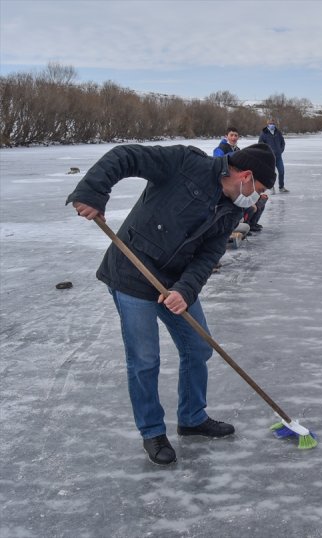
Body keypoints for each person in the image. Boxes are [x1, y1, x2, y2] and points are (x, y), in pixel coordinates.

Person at [66, 143, 277, 465]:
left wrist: (184, 291)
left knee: (198, 348)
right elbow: (126, 156)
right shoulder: (184, 163)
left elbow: (208, 256)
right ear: (246, 176)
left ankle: (192, 418)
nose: (258, 198)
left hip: (174, 284)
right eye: (259, 190)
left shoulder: (233, 208)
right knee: (145, 359)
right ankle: (152, 432)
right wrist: (93, 192)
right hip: (131, 274)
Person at [258, 118, 287, 193]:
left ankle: (281, 187)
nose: (272, 125)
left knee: (281, 171)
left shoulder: (278, 132)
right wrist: (266, 153)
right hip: (269, 157)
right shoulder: (264, 133)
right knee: (271, 174)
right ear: (267, 124)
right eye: (270, 123)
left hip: (278, 157)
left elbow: (282, 142)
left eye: (273, 123)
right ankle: (271, 187)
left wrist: (280, 150)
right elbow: (260, 144)